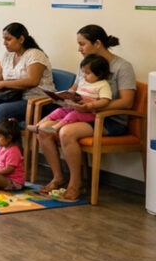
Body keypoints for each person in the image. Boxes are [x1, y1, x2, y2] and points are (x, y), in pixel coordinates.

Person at [36, 25, 136, 202]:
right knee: (43, 129)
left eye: (82, 44)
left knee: (66, 132)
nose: (79, 48)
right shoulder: (85, 64)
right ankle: (58, 177)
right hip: (82, 113)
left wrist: (93, 106)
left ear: (97, 43)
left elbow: (127, 101)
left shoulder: (122, 67)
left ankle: (76, 184)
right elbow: (75, 89)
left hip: (109, 119)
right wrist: (63, 97)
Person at [0, 22, 54, 164]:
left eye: (8, 39)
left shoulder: (35, 55)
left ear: (21, 39)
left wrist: (2, 83)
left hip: (33, 100)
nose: (4, 43)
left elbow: (33, 81)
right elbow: (2, 78)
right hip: (9, 96)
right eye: (3, 39)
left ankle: (0, 159)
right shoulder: (7, 55)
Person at [30, 54, 111, 135]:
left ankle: (55, 128)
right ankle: (37, 125)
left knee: (73, 115)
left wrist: (90, 105)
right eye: (83, 72)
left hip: (90, 113)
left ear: (99, 74)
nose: (83, 75)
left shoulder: (103, 85)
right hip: (75, 108)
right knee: (58, 111)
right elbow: (75, 94)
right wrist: (65, 98)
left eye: (87, 73)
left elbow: (105, 101)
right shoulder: (83, 81)